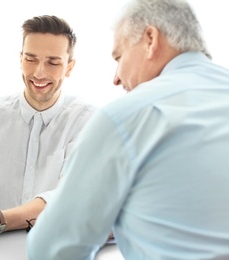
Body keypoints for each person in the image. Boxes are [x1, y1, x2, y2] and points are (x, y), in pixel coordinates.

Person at [26, 0, 229, 259]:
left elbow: (51, 250)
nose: (116, 78)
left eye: (119, 57)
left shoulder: (125, 117)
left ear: (150, 40)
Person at [0, 15, 96, 240]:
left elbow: (69, 199)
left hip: (55, 245)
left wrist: (0, 219)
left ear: (69, 67)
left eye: (53, 62)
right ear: (20, 58)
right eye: (31, 59)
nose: (39, 73)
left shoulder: (86, 120)